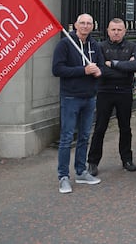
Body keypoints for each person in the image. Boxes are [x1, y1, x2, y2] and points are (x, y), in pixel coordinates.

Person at [52, 13, 102, 193]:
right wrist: (83, 70)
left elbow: (100, 66)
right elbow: (57, 69)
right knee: (66, 138)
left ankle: (81, 171)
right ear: (75, 25)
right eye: (82, 23)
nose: (86, 26)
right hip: (71, 97)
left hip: (89, 97)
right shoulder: (65, 44)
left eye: (89, 23)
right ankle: (63, 176)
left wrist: (98, 73)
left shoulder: (94, 44)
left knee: (84, 136)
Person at [87, 18, 136, 176]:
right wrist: (124, 68)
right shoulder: (100, 47)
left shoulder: (133, 47)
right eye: (113, 29)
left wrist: (112, 64)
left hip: (125, 92)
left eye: (119, 30)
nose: (116, 32)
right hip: (105, 91)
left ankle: (127, 159)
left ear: (125, 31)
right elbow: (99, 70)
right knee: (100, 128)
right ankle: (92, 162)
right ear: (107, 30)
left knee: (125, 128)